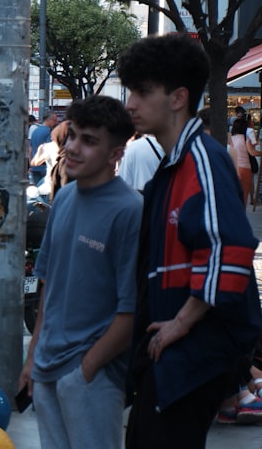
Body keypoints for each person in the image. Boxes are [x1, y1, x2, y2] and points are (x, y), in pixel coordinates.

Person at [117, 32, 262, 447]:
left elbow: (230, 251)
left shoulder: (202, 158)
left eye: (142, 92)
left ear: (178, 97)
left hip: (195, 352)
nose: (130, 104)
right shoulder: (176, 162)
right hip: (176, 352)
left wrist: (182, 323)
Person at [18, 96, 142, 449]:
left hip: (92, 376)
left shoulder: (130, 211)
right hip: (46, 370)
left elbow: (130, 309)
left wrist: (87, 368)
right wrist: (32, 359)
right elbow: (49, 287)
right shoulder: (65, 198)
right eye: (72, 135)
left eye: (89, 141)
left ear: (116, 153)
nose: (72, 147)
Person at [229, 117, 260, 205]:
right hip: (245, 169)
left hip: (234, 168)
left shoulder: (231, 138)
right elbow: (252, 153)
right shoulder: (246, 139)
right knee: (244, 196)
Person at [29, 112, 57, 185]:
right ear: (49, 120)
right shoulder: (49, 132)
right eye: (54, 120)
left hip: (34, 166)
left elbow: (30, 149)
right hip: (45, 167)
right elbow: (51, 148)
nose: (55, 122)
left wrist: (30, 164)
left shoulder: (35, 131)